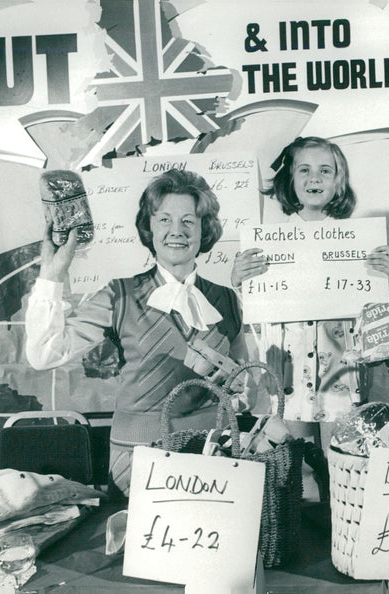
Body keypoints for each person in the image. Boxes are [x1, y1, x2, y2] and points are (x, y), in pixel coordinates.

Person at [25, 169, 246, 497]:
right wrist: (52, 274)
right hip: (138, 460)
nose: (176, 231)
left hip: (215, 458)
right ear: (149, 227)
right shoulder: (120, 295)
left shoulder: (228, 298)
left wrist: (231, 383)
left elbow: (246, 388)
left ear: (205, 229)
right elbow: (43, 354)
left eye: (188, 221)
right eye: (164, 220)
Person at [231, 136, 389, 450]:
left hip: (343, 381)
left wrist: (387, 279)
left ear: (339, 181)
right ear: (290, 180)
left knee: (343, 469)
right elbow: (254, 318)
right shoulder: (268, 244)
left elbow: (376, 318)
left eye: (325, 171)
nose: (314, 178)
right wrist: (242, 282)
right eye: (304, 170)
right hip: (286, 381)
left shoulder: (360, 243)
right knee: (294, 472)